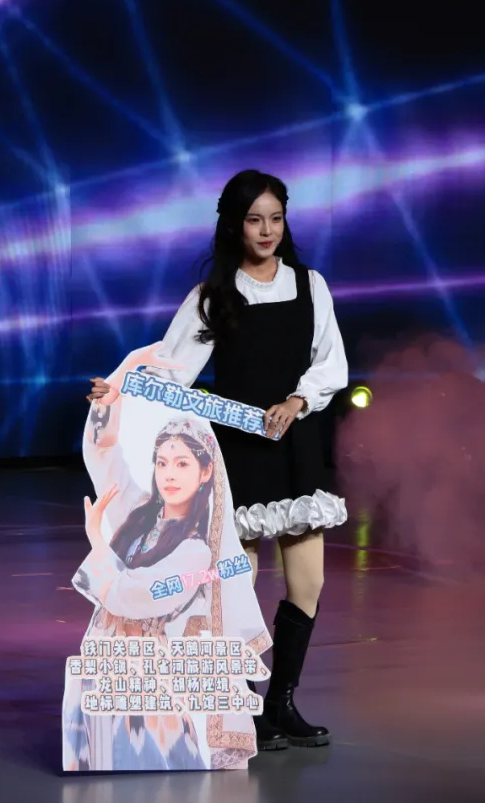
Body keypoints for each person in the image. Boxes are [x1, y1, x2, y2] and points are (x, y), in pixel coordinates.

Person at [87, 169, 349, 750]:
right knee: (237, 583)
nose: (266, 230)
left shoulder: (310, 286)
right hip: (237, 452)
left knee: (308, 581)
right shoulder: (214, 295)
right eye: (254, 220)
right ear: (234, 225)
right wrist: (119, 390)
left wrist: (298, 400)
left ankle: (281, 703)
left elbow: (330, 362)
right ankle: (244, 708)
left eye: (275, 219)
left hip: (295, 445)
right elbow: (170, 369)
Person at [66, 350, 268, 769]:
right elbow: (102, 450)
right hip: (108, 668)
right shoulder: (138, 511)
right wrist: (123, 372)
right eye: (162, 463)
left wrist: (97, 542)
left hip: (150, 682)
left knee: (147, 770)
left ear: (205, 472)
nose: (169, 474)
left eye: (181, 463)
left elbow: (134, 596)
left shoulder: (196, 550)